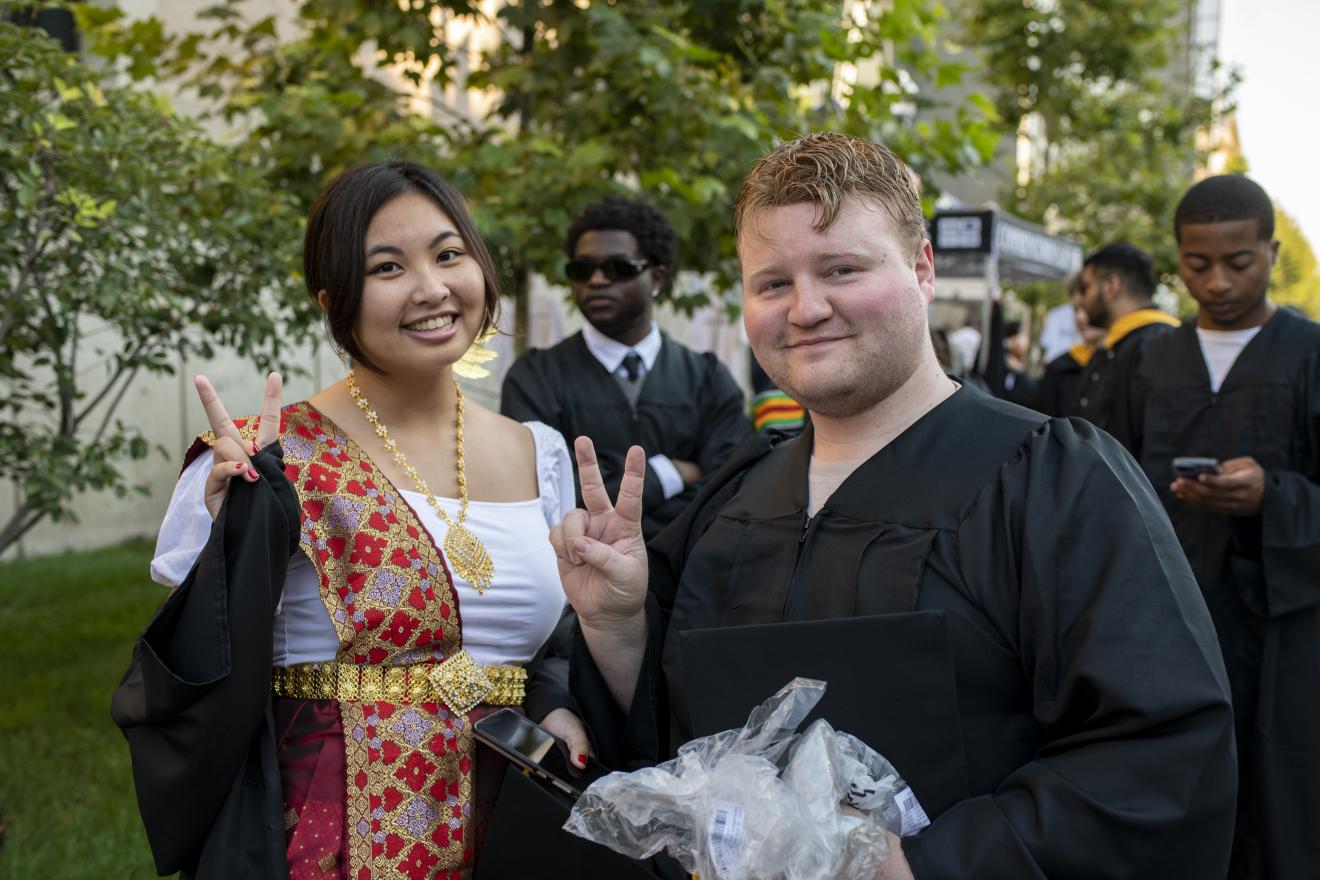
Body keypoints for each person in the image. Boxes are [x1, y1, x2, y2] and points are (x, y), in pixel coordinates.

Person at [554, 133, 1236, 878]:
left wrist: (924, 865)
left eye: (842, 269)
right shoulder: (734, 495)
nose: (806, 308)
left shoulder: (1053, 479)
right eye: (772, 283)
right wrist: (617, 626)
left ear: (922, 269)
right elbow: (669, 737)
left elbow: (1161, 749)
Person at [116, 160, 590, 879]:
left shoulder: (539, 453)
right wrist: (235, 545)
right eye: (387, 267)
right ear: (334, 300)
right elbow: (193, 673)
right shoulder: (269, 459)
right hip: (333, 836)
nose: (431, 288)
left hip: (512, 823)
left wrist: (555, 704)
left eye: (449, 253)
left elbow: (555, 646)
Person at [1127, 174, 1320, 879]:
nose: (1216, 282)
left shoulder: (1309, 354)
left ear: (1272, 251)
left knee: (1278, 798)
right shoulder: (1150, 360)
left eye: (1239, 263)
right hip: (1165, 620)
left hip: (1280, 627)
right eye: (1196, 264)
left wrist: (1277, 495)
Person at [500, 196, 751, 541]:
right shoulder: (535, 378)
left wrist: (612, 484)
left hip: (687, 579)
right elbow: (553, 495)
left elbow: (730, 492)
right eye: (582, 269)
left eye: (620, 267)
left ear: (657, 278)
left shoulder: (707, 379)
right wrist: (669, 473)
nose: (598, 280)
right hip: (579, 579)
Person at [1068, 242, 1178, 439]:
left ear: (1111, 286)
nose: (1081, 300)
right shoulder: (1114, 347)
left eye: (1086, 288)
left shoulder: (1157, 347)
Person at [1035, 273, 1106, 417]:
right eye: (1076, 309)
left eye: (1088, 308)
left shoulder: (1129, 363)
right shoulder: (1058, 368)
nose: (1080, 317)